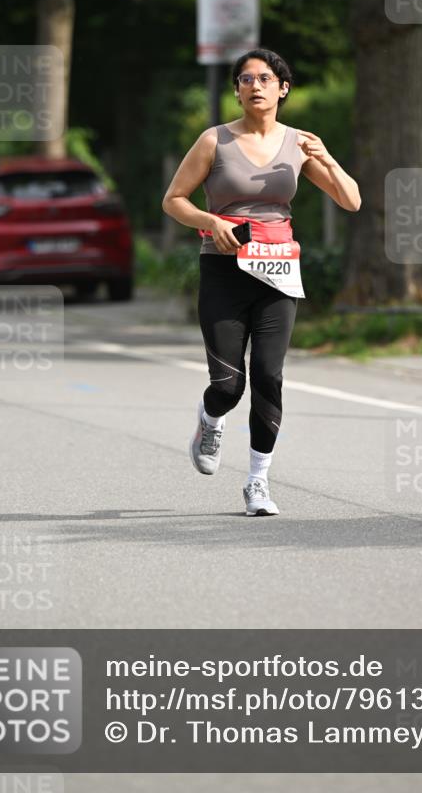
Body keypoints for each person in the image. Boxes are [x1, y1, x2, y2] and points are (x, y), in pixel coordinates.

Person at [162, 48, 361, 516]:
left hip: (278, 270)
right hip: (224, 269)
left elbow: (351, 201)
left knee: (269, 377)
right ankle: (210, 419)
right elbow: (173, 200)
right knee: (230, 385)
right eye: (246, 79)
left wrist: (327, 159)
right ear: (236, 90)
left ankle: (257, 483)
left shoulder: (299, 144)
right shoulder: (214, 141)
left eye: (265, 78)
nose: (255, 86)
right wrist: (212, 221)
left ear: (282, 88)